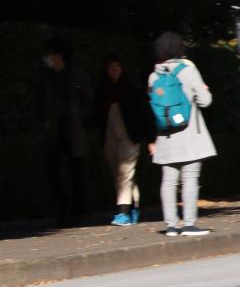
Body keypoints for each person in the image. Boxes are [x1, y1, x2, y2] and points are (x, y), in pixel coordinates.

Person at [147, 32, 216, 237]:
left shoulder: (153, 76)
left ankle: (170, 226)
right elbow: (205, 101)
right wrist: (204, 89)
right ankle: (189, 224)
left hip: (166, 136)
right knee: (190, 179)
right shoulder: (188, 71)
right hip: (189, 136)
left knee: (168, 181)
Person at [92, 55, 154, 226]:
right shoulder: (102, 90)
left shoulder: (132, 89)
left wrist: (151, 138)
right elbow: (97, 115)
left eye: (117, 66)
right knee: (120, 174)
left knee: (124, 172)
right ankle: (133, 205)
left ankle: (123, 212)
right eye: (111, 66)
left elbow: (144, 113)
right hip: (109, 136)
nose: (114, 69)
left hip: (129, 136)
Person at [37, 37, 88, 225]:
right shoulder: (47, 77)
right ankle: (63, 205)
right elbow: (40, 102)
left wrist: (79, 118)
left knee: (76, 170)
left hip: (71, 127)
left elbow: (85, 99)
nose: (48, 59)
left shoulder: (73, 75)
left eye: (50, 55)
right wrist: (44, 120)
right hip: (55, 128)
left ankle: (77, 210)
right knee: (52, 168)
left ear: (58, 56)